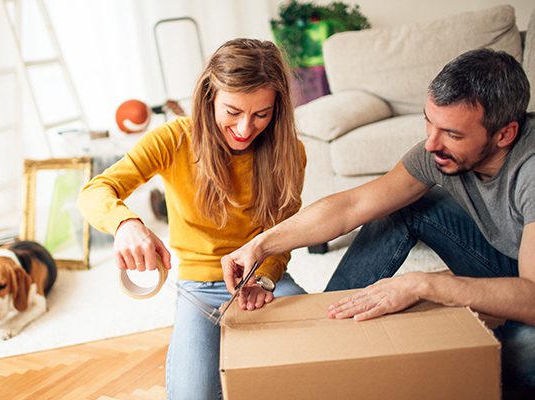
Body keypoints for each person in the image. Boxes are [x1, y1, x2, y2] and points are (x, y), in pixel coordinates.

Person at [222, 48, 535, 390]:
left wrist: (424, 284)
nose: (431, 144)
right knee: (408, 203)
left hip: (529, 291)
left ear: (505, 134)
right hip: (507, 261)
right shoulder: (436, 152)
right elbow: (353, 205)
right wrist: (261, 245)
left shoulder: (530, 172)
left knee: (508, 363)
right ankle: (329, 333)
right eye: (429, 122)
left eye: (452, 134)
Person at [78, 38, 307, 399]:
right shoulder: (173, 139)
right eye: (233, 111)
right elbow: (96, 190)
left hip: (261, 281)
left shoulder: (289, 152)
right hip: (199, 288)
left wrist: (264, 278)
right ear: (209, 97)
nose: (246, 128)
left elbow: (283, 236)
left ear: (277, 109)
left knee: (319, 361)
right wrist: (125, 224)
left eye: (261, 114)